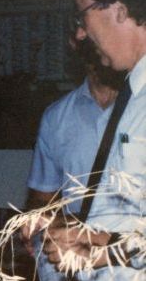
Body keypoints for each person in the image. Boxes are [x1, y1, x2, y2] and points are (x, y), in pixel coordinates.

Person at [40, 0, 146, 281]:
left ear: (118, 10)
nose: (81, 34)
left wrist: (99, 245)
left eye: (83, 16)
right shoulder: (132, 95)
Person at [27, 40, 122, 212]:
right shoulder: (56, 117)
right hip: (77, 236)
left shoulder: (139, 106)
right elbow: (43, 197)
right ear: (77, 47)